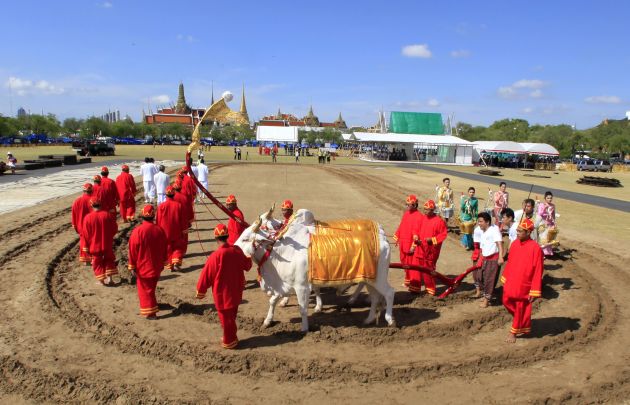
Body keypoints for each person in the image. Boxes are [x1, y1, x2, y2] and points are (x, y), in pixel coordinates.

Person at [195, 223, 252, 349]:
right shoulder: (236, 250)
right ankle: (231, 337)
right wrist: (248, 256)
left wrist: (201, 290)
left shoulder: (215, 256)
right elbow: (247, 266)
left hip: (222, 293)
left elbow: (207, 274)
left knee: (226, 319)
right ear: (227, 236)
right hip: (236, 290)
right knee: (231, 316)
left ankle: (229, 341)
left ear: (216, 238)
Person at [501, 218, 544, 343]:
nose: (517, 233)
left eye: (520, 231)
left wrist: (534, 290)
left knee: (520, 307)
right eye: (517, 231)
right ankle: (521, 320)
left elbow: (538, 271)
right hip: (512, 281)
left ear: (528, 233)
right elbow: (510, 263)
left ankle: (513, 332)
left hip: (524, 285)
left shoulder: (536, 248)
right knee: (505, 300)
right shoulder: (514, 244)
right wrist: (505, 277)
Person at [127, 204, 168, 319]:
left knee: (145, 289)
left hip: (143, 266)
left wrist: (132, 266)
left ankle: (151, 313)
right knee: (151, 288)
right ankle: (153, 305)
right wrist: (164, 261)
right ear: (153, 216)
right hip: (156, 266)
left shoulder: (138, 231)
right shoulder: (159, 230)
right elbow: (165, 247)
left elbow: (132, 250)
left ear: (142, 216)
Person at [410, 200, 447, 296]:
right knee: (415, 269)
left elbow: (443, 235)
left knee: (428, 272)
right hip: (419, 249)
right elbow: (415, 229)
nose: (425, 211)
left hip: (430, 252)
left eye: (427, 210)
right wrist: (415, 236)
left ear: (432, 210)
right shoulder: (421, 219)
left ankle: (430, 290)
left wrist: (432, 240)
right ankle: (414, 288)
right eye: (424, 209)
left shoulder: (439, 221)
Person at [82, 197, 118, 285]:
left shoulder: (88, 218)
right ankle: (110, 279)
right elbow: (114, 229)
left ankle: (101, 281)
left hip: (94, 244)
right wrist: (109, 237)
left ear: (91, 205)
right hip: (107, 243)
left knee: (97, 262)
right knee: (109, 259)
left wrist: (87, 245)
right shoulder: (108, 215)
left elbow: (86, 234)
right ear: (100, 204)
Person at [472, 212, 504, 307]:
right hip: (485, 258)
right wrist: (480, 259)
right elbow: (482, 248)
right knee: (480, 277)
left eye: (481, 221)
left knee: (489, 280)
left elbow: (499, 243)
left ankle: (486, 301)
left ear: (487, 222)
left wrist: (501, 257)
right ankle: (486, 296)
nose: (479, 223)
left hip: (493, 259)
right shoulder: (483, 232)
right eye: (478, 221)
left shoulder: (493, 230)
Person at [393, 195, 424, 290]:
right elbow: (401, 226)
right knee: (404, 262)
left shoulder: (419, 216)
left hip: (410, 245)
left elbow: (418, 233)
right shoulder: (406, 213)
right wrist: (397, 236)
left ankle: (411, 282)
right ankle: (407, 280)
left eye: (409, 205)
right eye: (406, 204)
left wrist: (413, 246)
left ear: (415, 205)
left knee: (410, 264)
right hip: (403, 242)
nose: (407, 206)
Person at [156, 186, 186, 272]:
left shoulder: (161, 206)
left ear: (166, 195)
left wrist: (159, 231)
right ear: (174, 195)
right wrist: (184, 230)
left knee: (168, 248)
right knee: (178, 247)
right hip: (176, 230)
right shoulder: (178, 205)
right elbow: (183, 220)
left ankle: (170, 265)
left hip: (165, 231)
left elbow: (158, 220)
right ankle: (176, 262)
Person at [71, 183, 94, 266]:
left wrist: (74, 225)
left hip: (81, 226)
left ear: (83, 191)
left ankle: (86, 260)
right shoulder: (94, 200)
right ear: (92, 190)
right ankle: (93, 259)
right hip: (92, 225)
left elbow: (74, 214)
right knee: (93, 242)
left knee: (83, 242)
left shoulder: (77, 201)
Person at [536, 191, 558, 257]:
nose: (549, 199)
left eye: (551, 198)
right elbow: (540, 214)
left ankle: (547, 252)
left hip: (550, 224)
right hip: (543, 224)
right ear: (545, 198)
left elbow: (553, 215)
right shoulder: (541, 205)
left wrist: (554, 223)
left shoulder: (553, 206)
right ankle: (541, 253)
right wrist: (544, 209)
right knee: (542, 239)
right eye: (548, 198)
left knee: (549, 238)